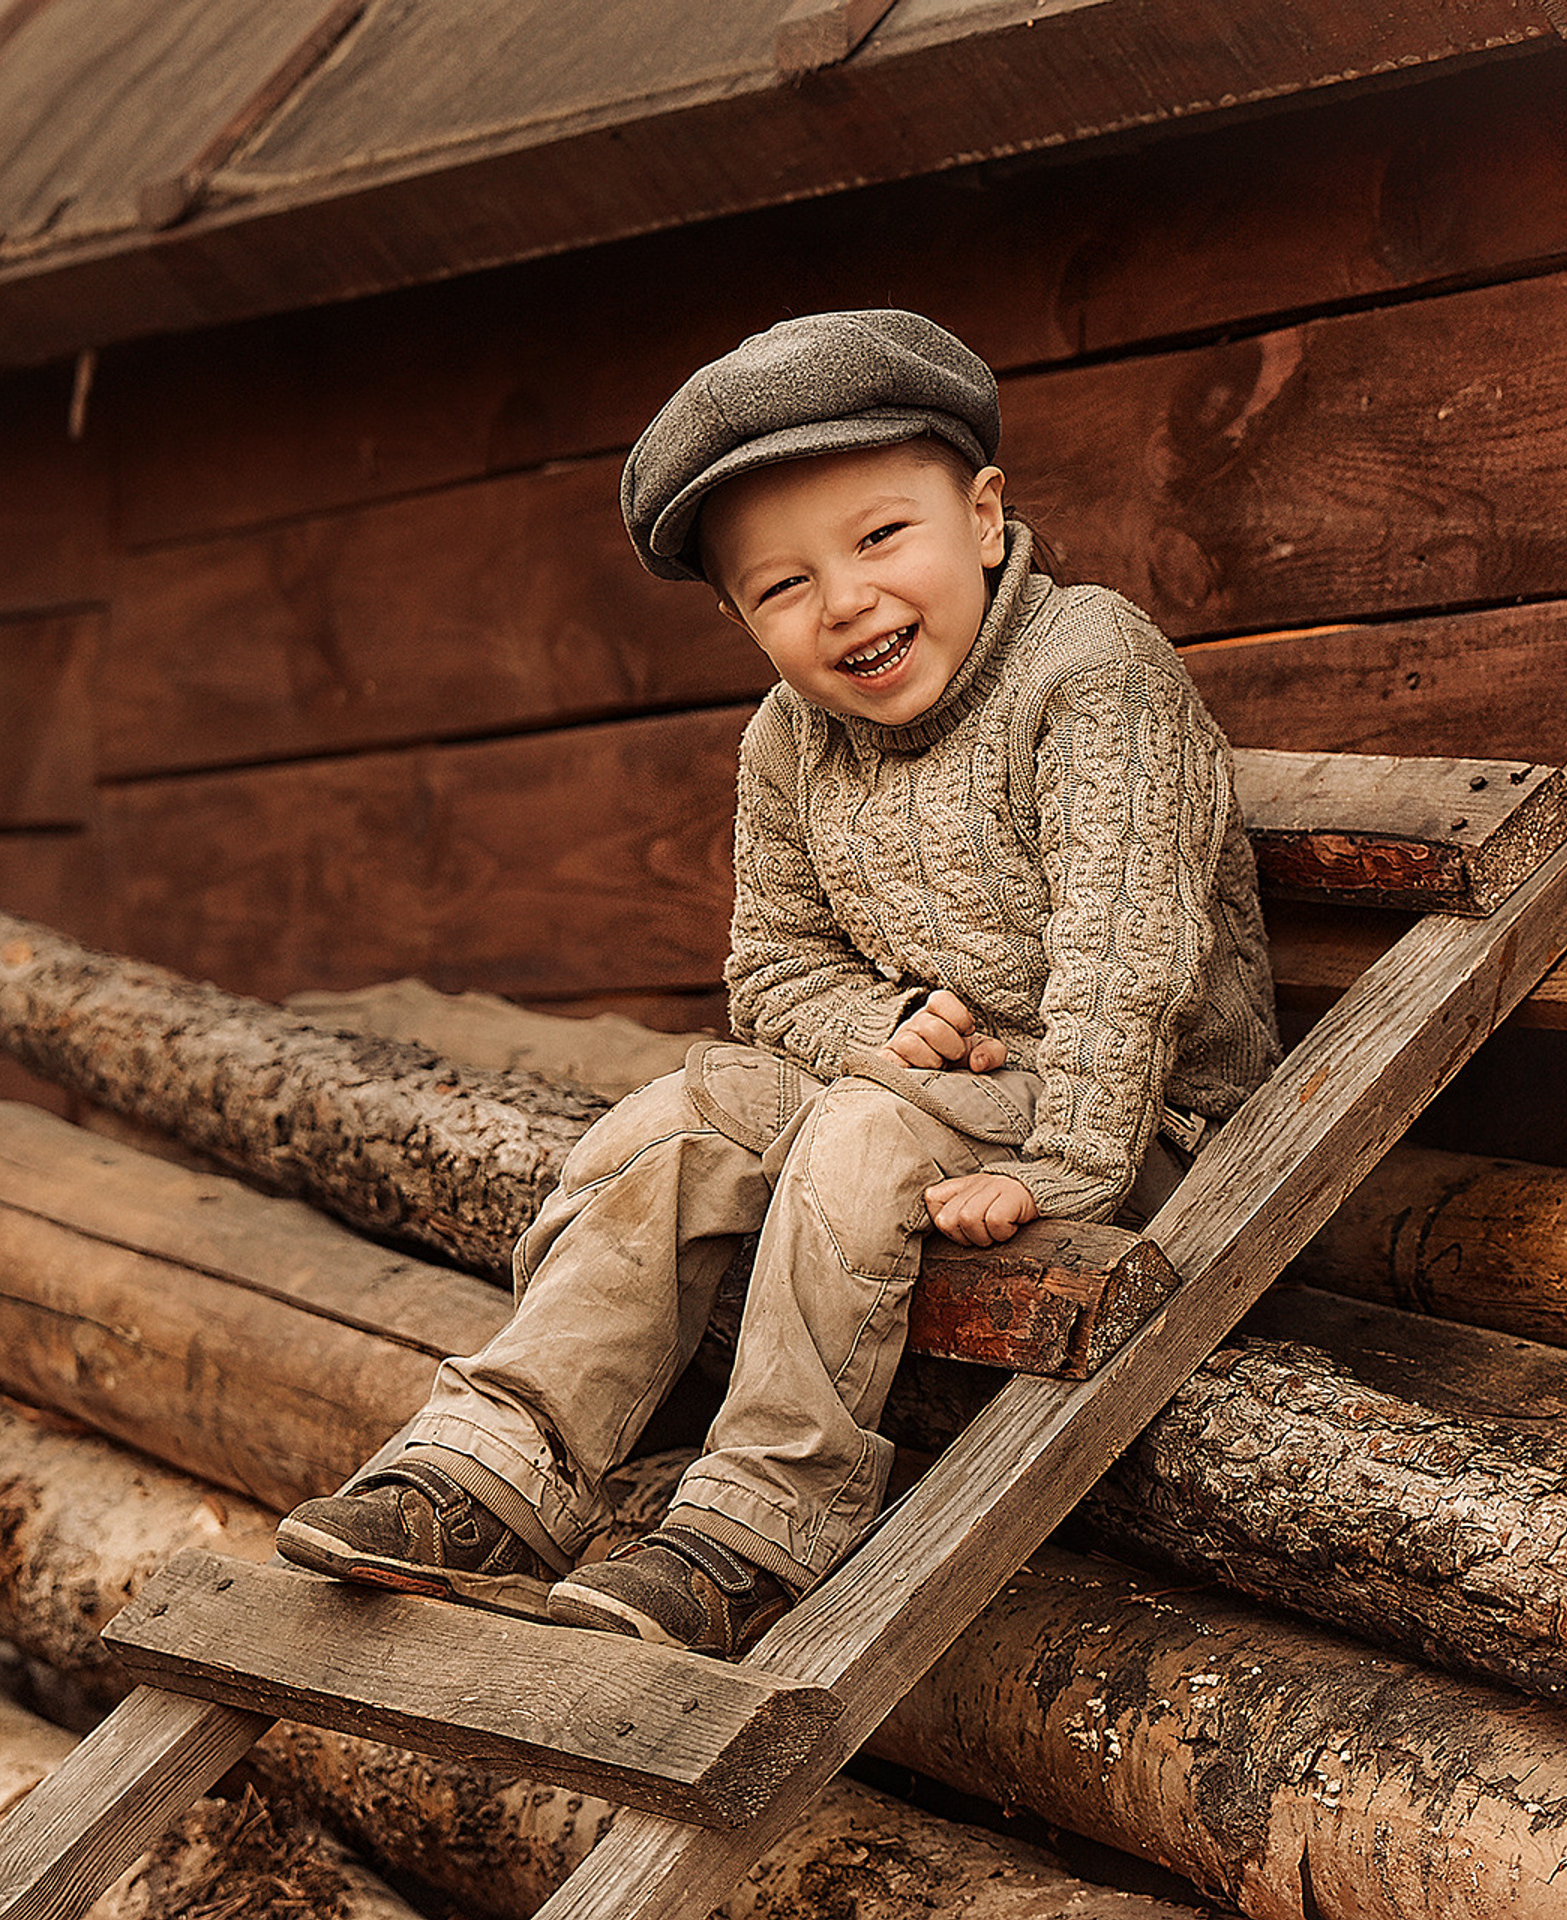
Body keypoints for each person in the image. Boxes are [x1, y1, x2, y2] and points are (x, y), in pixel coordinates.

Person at [276, 309, 1280, 1658]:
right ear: (744, 617)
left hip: (1142, 1125)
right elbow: (775, 971)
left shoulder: (1092, 672)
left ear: (983, 518)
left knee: (861, 1132)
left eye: (880, 539)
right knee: (671, 1121)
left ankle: (760, 1521)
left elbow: (1129, 957)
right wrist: (882, 1020)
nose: (848, 602)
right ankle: (496, 1464)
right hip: (938, 1092)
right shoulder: (789, 741)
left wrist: (1072, 1171)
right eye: (783, 586)